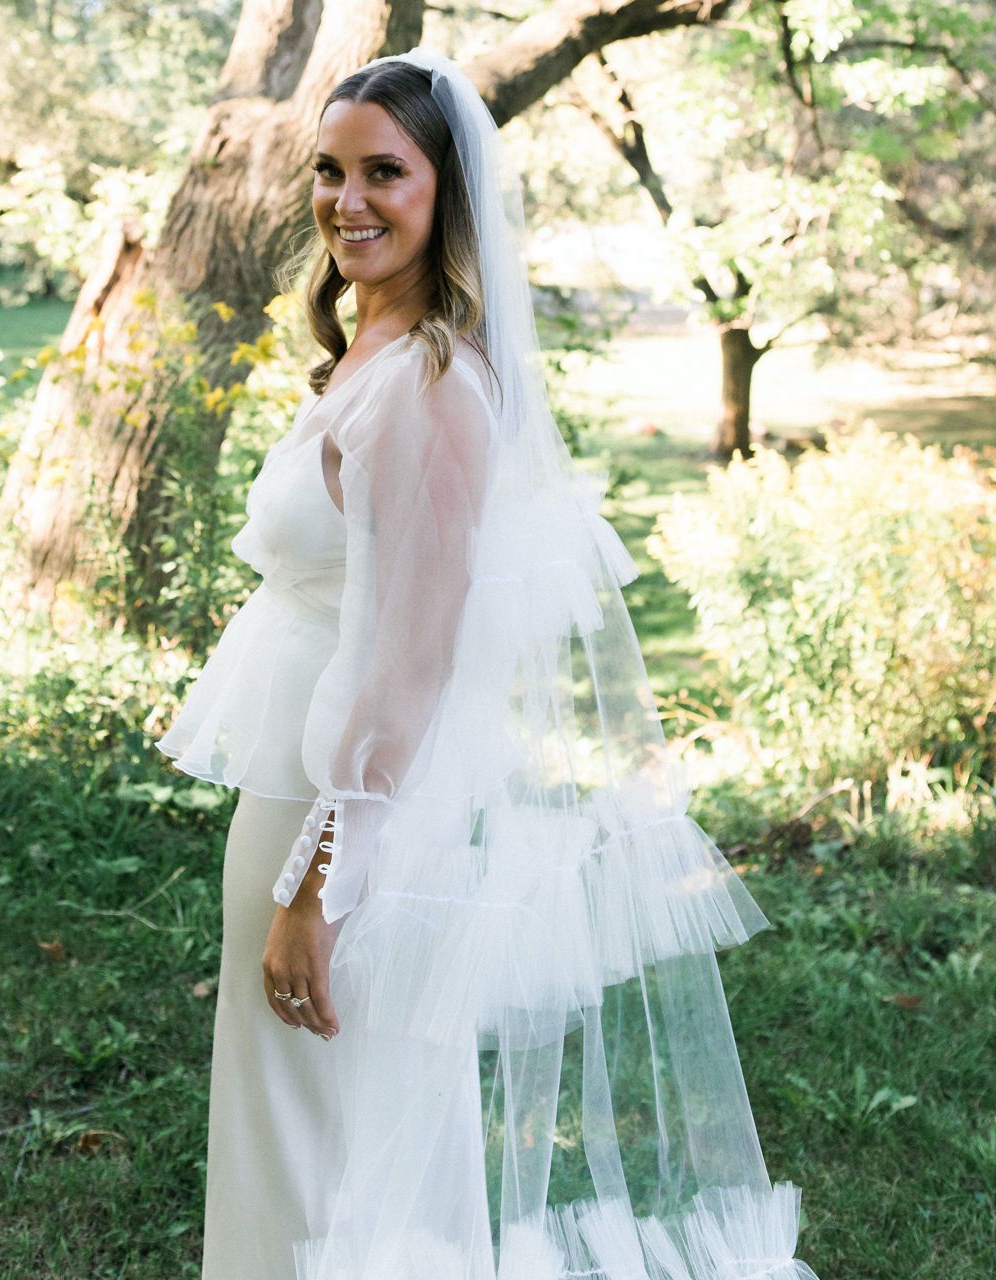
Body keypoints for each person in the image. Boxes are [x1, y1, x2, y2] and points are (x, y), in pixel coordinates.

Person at [155, 45, 822, 1280]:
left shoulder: (424, 387)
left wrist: (315, 888)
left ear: (445, 191)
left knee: (321, 1134)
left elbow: (408, 661)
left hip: (340, 819)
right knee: (301, 1121)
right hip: (303, 793)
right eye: (329, 171)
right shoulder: (367, 353)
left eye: (384, 173)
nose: (346, 200)